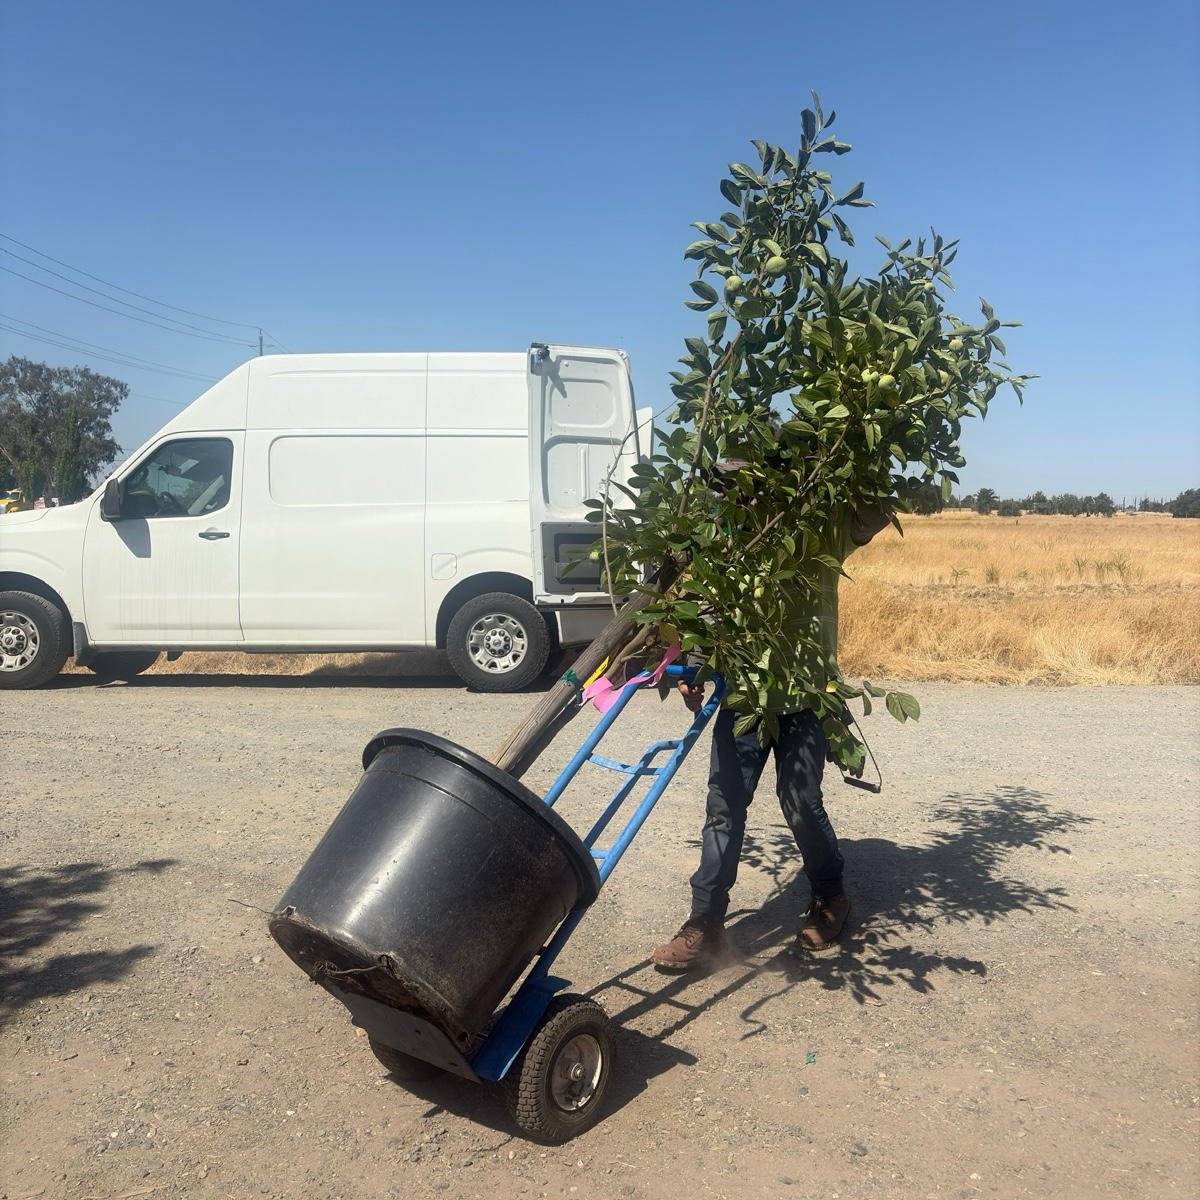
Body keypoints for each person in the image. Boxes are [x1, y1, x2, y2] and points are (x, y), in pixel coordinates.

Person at [651, 503, 889, 971]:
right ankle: (705, 921)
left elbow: (877, 509)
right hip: (744, 701)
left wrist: (865, 457)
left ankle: (829, 894)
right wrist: (695, 666)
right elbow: (708, 609)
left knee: (800, 801)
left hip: (805, 699)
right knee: (724, 804)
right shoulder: (729, 539)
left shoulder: (822, 526)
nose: (746, 496)